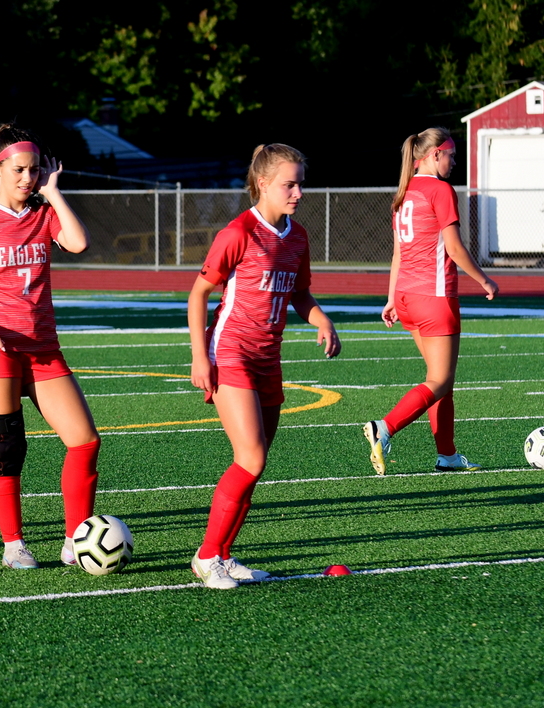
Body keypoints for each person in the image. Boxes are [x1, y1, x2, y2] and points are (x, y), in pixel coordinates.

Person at [0, 124, 99, 570]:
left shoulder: (43, 213)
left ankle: (76, 538)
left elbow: (78, 242)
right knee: (8, 447)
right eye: (19, 170)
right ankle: (14, 544)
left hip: (44, 348)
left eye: (34, 170)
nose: (27, 178)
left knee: (85, 441)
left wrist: (53, 192)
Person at [186, 144, 341, 589]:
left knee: (256, 461)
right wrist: (200, 356)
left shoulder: (298, 237)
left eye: (300, 184)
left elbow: (300, 295)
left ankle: (219, 554)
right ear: (263, 184)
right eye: (289, 184)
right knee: (250, 458)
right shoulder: (238, 233)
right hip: (230, 352)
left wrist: (322, 319)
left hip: (267, 359)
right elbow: (198, 295)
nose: (298, 192)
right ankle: (209, 557)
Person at [363, 127, 499, 476]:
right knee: (439, 380)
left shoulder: (405, 192)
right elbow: (453, 248)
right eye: (451, 154)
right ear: (434, 153)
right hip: (434, 297)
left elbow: (397, 253)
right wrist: (484, 279)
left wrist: (391, 298)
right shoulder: (439, 189)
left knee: (441, 381)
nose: (454, 161)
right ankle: (385, 427)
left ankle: (448, 456)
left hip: (408, 297)